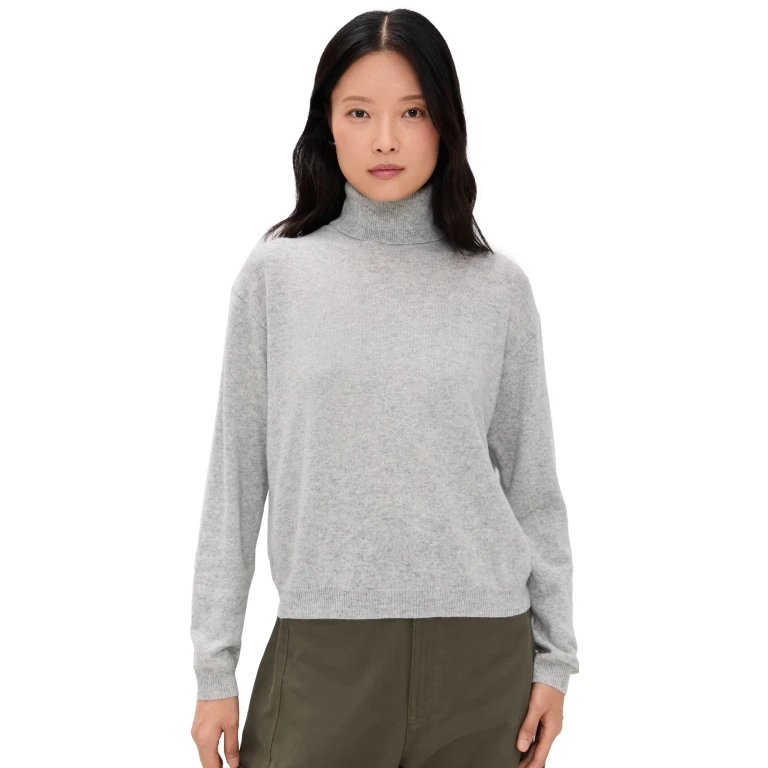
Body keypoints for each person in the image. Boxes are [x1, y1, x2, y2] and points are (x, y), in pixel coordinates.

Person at [190, 9, 579, 768]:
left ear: (446, 124)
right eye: (360, 113)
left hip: (485, 664)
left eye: (413, 112)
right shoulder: (276, 276)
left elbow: (533, 488)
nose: (386, 140)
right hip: (323, 659)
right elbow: (234, 482)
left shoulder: (499, 289)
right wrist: (214, 671)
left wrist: (555, 662)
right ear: (327, 125)